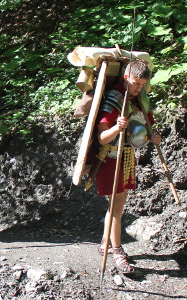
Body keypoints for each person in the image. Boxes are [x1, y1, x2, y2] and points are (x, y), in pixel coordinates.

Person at [95, 60, 161, 273]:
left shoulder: (139, 99)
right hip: (111, 158)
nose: (138, 88)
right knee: (116, 206)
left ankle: (106, 242)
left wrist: (153, 137)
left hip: (127, 155)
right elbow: (103, 138)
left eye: (142, 84)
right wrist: (116, 127)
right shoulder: (114, 99)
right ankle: (117, 250)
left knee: (118, 205)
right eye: (134, 83)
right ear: (126, 78)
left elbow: (145, 129)